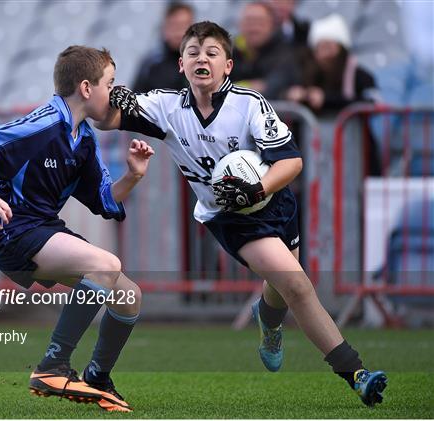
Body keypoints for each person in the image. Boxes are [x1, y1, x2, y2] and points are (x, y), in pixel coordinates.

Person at [100, 21, 387, 407]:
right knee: (298, 285)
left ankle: (268, 321)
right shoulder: (164, 105)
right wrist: (100, 93)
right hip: (230, 218)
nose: (202, 58)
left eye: (212, 53)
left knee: (282, 290)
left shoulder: (250, 104)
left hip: (274, 202)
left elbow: (292, 162)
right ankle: (356, 374)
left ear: (229, 66)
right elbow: (107, 119)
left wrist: (258, 187)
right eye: (193, 53)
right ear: (181, 66)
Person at [0, 45, 155, 413]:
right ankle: (53, 366)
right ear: (87, 88)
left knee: (129, 295)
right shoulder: (44, 123)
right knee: (106, 264)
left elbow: (105, 199)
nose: (115, 91)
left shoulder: (85, 139)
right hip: (13, 231)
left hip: (43, 229)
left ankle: (97, 377)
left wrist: (134, 176)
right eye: (110, 83)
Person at [285, 14, 379, 112]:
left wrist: (327, 100)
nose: (325, 54)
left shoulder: (358, 75)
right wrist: (293, 95)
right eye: (320, 48)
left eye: (329, 47)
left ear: (341, 49)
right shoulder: (307, 73)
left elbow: (371, 103)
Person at [230, 1, 298, 99]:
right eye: (249, 22)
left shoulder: (284, 54)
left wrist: (232, 88)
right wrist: (249, 86)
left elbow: (272, 88)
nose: (254, 28)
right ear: (240, 25)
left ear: (272, 25)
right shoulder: (229, 52)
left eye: (260, 22)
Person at [131, 1, 194, 93]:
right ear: (165, 29)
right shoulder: (151, 65)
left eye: (184, 26)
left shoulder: (204, 62)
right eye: (174, 25)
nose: (179, 32)